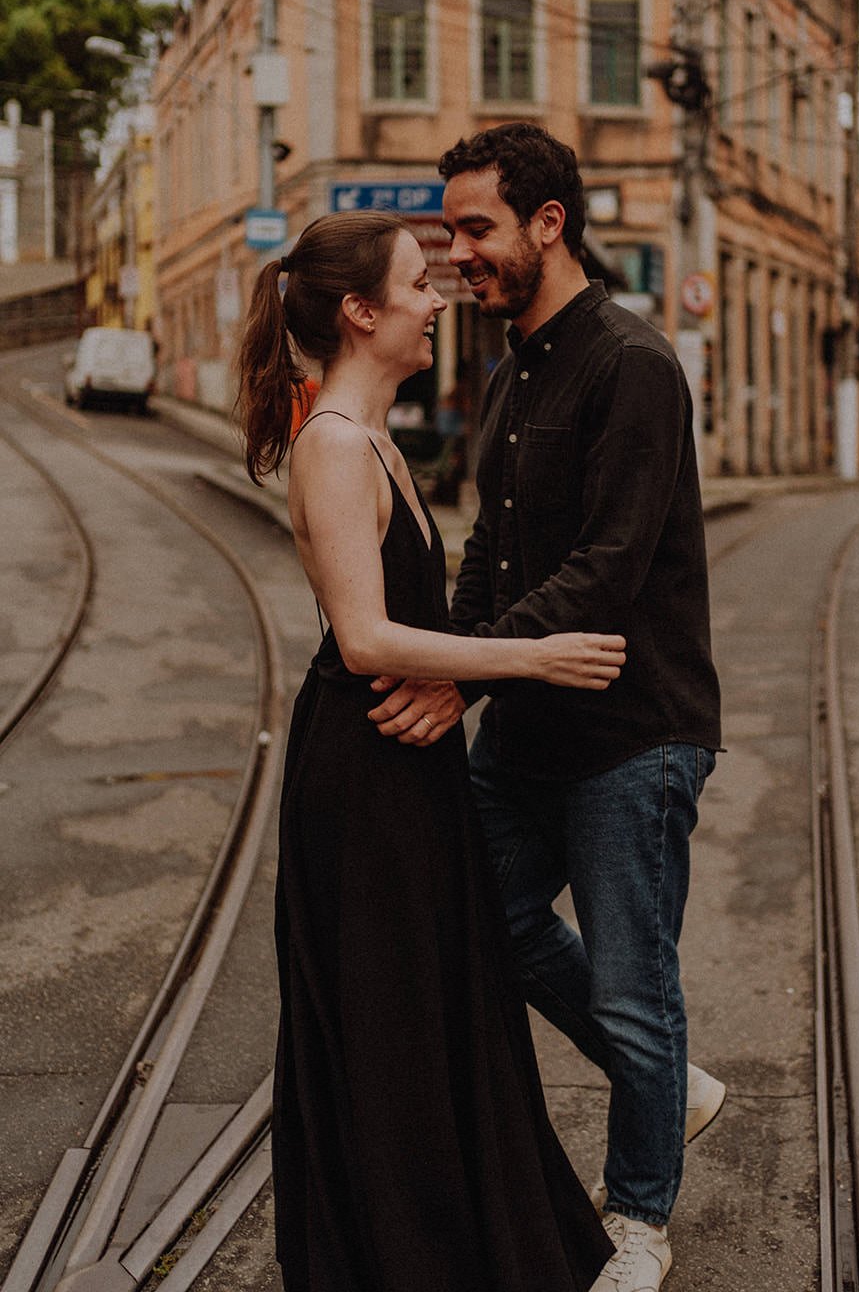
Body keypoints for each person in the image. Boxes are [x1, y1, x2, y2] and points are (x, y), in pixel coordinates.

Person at [236, 209, 621, 1292]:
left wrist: (477, 671)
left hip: (403, 765)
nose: (438, 296)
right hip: (362, 777)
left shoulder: (372, 439)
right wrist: (530, 660)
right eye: (418, 282)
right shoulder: (331, 446)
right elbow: (361, 638)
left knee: (440, 1006)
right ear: (361, 312)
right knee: (393, 1021)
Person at [368, 124, 725, 1292]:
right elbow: (492, 561)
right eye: (450, 230)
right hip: (526, 724)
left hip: (633, 732)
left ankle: (637, 1222)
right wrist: (455, 663)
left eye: (475, 229)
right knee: (489, 914)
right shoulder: (510, 368)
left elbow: (605, 570)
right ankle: (667, 1080)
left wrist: (461, 671)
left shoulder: (631, 365)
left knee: (633, 985)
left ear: (546, 224)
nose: (457, 253)